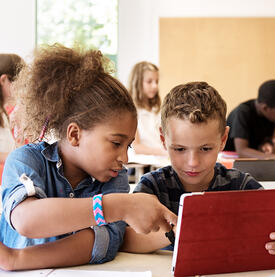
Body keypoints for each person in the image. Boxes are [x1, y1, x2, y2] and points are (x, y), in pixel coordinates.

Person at [0, 44, 176, 271]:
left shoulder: (115, 177)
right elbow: (27, 220)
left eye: (128, 145)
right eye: (116, 143)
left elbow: (103, 243)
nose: (124, 157)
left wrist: (20, 259)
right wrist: (117, 206)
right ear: (74, 134)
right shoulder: (26, 160)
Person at [121, 81, 275, 257]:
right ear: (163, 139)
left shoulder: (240, 185)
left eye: (205, 149)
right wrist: (177, 233)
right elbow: (125, 239)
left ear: (223, 140)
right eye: (180, 149)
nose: (193, 162)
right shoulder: (151, 187)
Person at [224, 80, 275, 158]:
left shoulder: (269, 117)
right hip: (230, 162)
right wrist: (271, 157)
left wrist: (267, 146)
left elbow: (263, 143)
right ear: (265, 108)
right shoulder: (243, 112)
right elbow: (242, 151)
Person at [128, 61, 166, 156]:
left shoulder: (156, 110)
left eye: (156, 81)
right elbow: (135, 146)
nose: (155, 86)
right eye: (149, 82)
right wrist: (163, 152)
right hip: (145, 163)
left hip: (161, 159)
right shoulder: (131, 111)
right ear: (137, 83)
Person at [0, 54, 24, 164]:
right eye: (20, 83)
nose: (22, 89)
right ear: (3, 80)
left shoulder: (4, 113)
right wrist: (16, 155)